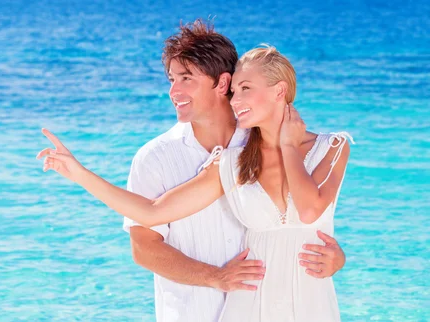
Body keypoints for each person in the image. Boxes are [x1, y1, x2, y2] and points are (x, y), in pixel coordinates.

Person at [38, 21, 348, 321]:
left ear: (222, 83)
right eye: (171, 79)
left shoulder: (305, 146)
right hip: (212, 311)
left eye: (186, 78)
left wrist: (339, 258)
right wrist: (79, 173)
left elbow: (307, 216)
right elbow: (148, 224)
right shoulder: (216, 161)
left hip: (299, 305)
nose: (174, 90)